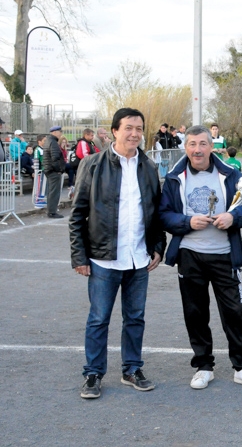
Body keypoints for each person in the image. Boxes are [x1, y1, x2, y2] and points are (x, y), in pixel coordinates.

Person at [69, 107, 166, 399]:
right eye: (128, 128)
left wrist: (158, 247)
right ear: (115, 130)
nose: (134, 133)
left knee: (135, 317)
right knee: (99, 318)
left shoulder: (148, 167)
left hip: (139, 259)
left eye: (139, 128)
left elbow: (156, 213)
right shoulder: (93, 164)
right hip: (102, 259)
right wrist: (79, 256)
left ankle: (132, 369)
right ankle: (93, 374)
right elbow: (78, 215)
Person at [159, 125, 242, 390]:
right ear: (186, 147)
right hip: (189, 255)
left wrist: (233, 217)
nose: (197, 149)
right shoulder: (174, 177)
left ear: (212, 146)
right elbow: (163, 214)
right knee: (195, 313)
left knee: (234, 312)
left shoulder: (230, 174)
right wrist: (186, 221)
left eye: (203, 144)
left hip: (224, 255)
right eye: (192, 144)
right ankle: (203, 366)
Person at [42, 125, 66, 218]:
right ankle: (52, 212)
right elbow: (55, 158)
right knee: (54, 192)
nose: (61, 134)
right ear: (54, 132)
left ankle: (51, 210)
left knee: (51, 191)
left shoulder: (49, 141)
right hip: (53, 171)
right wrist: (59, 169)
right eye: (60, 132)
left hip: (49, 170)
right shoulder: (53, 142)